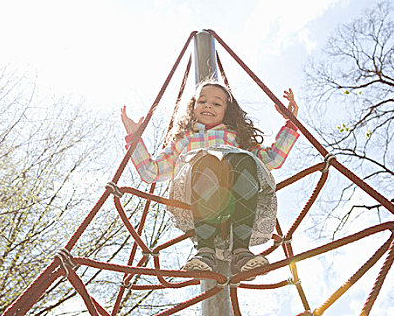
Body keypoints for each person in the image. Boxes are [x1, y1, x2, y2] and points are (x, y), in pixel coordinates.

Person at [120, 81, 299, 276]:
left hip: (236, 201)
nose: (208, 106)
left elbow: (273, 159)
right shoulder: (184, 140)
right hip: (194, 202)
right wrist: (134, 137)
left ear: (226, 111)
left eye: (216, 103)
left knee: (243, 159)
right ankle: (204, 251)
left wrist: (291, 124)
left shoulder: (237, 138)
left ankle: (242, 252)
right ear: (193, 107)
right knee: (206, 159)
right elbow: (150, 172)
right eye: (202, 101)